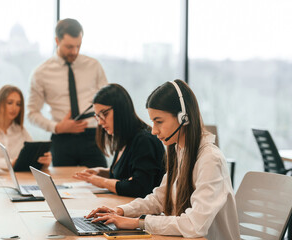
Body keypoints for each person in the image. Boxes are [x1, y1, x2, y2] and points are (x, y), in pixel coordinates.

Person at [86, 80, 240, 239]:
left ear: (183, 118)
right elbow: (159, 198)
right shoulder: (179, 150)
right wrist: (121, 211)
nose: (153, 130)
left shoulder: (210, 160)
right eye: (152, 122)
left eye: (159, 121)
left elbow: (195, 225)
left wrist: (138, 223)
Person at [28, 18, 108, 168]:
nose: (75, 52)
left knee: (101, 183)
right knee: (61, 187)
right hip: (61, 139)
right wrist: (57, 127)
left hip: (92, 136)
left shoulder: (94, 66)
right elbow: (31, 113)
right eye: (69, 47)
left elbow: (108, 101)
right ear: (57, 41)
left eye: (78, 46)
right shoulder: (41, 73)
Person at [73, 84, 165, 198]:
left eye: (104, 114)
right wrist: (101, 172)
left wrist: (101, 181)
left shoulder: (144, 140)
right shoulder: (123, 138)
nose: (100, 122)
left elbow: (139, 187)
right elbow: (126, 174)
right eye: (97, 116)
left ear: (121, 109)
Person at [0, 85, 51, 170]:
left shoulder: (21, 131)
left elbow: (30, 159)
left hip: (16, 180)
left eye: (18, 104)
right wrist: (9, 163)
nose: (14, 108)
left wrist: (43, 162)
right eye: (10, 102)